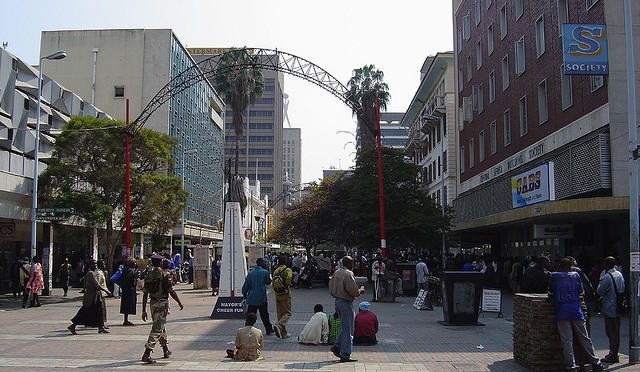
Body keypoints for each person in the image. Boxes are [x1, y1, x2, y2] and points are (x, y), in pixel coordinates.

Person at [548, 258, 603, 372]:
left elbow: (550, 293)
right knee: (584, 338)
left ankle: (571, 366)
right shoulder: (576, 275)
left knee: (567, 340)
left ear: (560, 266)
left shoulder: (554, 276)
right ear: (570, 266)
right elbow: (581, 292)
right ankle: (595, 362)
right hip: (576, 311)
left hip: (562, 312)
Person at [141, 254, 184, 364]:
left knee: (161, 326)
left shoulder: (148, 275)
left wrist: (143, 309)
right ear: (160, 263)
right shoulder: (165, 275)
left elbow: (145, 294)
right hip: (162, 304)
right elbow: (171, 291)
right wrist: (179, 302)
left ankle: (165, 349)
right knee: (157, 329)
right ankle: (147, 353)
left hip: (153, 303)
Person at [329, 256, 364, 363]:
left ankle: (337, 345)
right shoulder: (348, 274)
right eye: (352, 263)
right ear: (348, 263)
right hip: (346, 302)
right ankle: (345, 354)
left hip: (338, 301)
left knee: (345, 327)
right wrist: (359, 291)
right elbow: (352, 290)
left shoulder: (337, 272)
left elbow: (331, 287)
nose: (353, 265)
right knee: (348, 329)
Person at [68, 259, 112, 335]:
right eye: (93, 264)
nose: (95, 265)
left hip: (97, 296)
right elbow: (97, 285)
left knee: (100, 311)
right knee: (85, 311)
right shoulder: (90, 273)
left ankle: (101, 327)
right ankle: (73, 325)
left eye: (95, 263)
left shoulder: (97, 272)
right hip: (90, 296)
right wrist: (107, 291)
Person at [597, 256, 625, 364]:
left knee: (611, 331)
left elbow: (600, 291)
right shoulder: (619, 274)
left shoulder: (607, 277)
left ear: (606, 264)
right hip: (618, 307)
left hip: (609, 307)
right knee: (615, 331)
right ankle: (614, 353)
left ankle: (613, 354)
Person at [241, 258, 275, 336]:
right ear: (261, 263)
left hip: (252, 298)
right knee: (264, 315)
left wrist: (244, 294)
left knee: (250, 315)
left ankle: (247, 329)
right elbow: (268, 282)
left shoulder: (251, 273)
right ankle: (268, 329)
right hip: (262, 298)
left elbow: (246, 285)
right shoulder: (265, 272)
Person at [272, 254, 293, 338]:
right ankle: (279, 325)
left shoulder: (276, 271)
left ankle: (284, 333)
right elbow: (289, 279)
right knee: (287, 313)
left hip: (277, 295)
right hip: (286, 294)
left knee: (280, 314)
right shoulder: (288, 270)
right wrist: (288, 283)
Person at [120, 257, 138, 326]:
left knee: (126, 305)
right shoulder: (130, 271)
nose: (135, 264)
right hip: (129, 289)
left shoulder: (125, 269)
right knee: (127, 305)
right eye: (134, 263)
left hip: (126, 289)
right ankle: (126, 320)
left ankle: (126, 319)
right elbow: (129, 279)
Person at [96, 259, 109, 328]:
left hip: (103, 293)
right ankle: (101, 324)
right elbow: (98, 284)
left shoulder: (103, 272)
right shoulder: (98, 273)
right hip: (99, 293)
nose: (104, 265)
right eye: (103, 264)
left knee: (103, 309)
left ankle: (102, 323)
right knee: (101, 309)